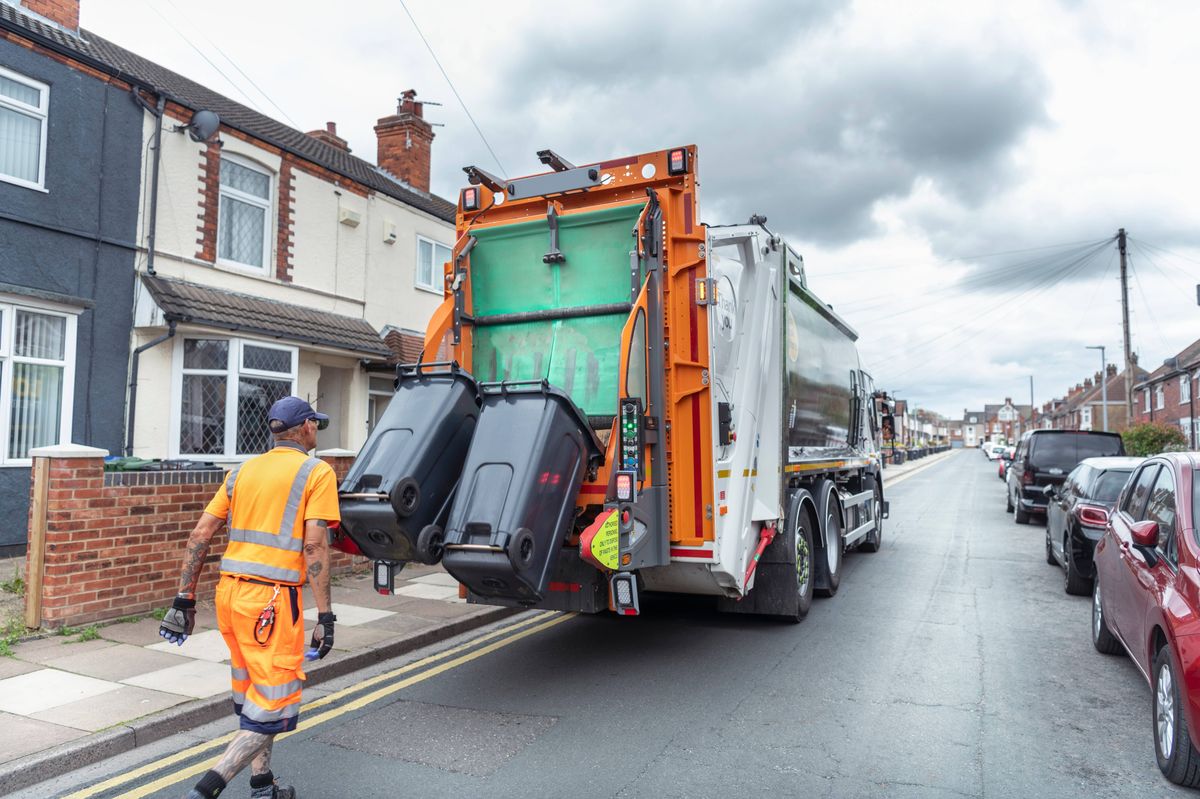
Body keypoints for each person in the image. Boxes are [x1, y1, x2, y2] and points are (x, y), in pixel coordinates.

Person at [160, 396, 340, 799]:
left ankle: (262, 785)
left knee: (257, 695)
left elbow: (200, 535)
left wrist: (183, 601)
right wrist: (325, 616)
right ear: (307, 427)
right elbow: (314, 548)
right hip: (273, 605)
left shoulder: (241, 473)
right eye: (316, 426)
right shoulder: (317, 472)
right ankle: (204, 791)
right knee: (274, 704)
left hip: (230, 597)